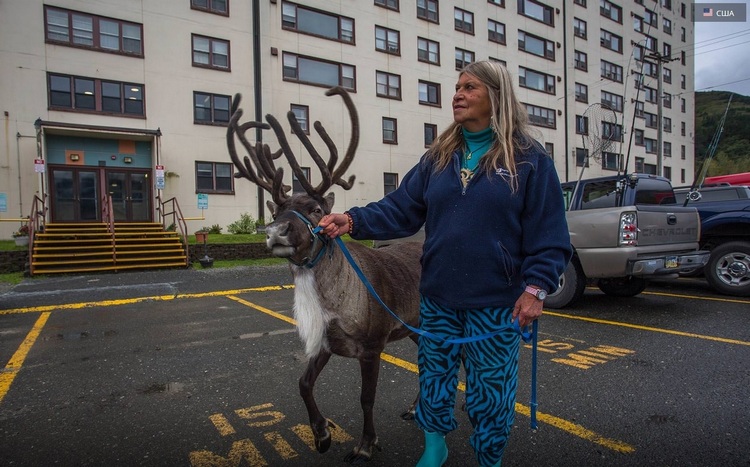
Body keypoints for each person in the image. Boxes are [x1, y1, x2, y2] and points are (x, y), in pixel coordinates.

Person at [318, 61, 572, 467]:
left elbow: (550, 236)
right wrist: (353, 220)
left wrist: (535, 288)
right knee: (434, 380)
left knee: (491, 394)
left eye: (470, 87)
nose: (457, 94)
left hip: (497, 303)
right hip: (437, 298)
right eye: (457, 87)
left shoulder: (529, 161)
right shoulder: (438, 157)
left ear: (496, 95)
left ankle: (489, 458)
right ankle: (434, 448)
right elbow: (402, 208)